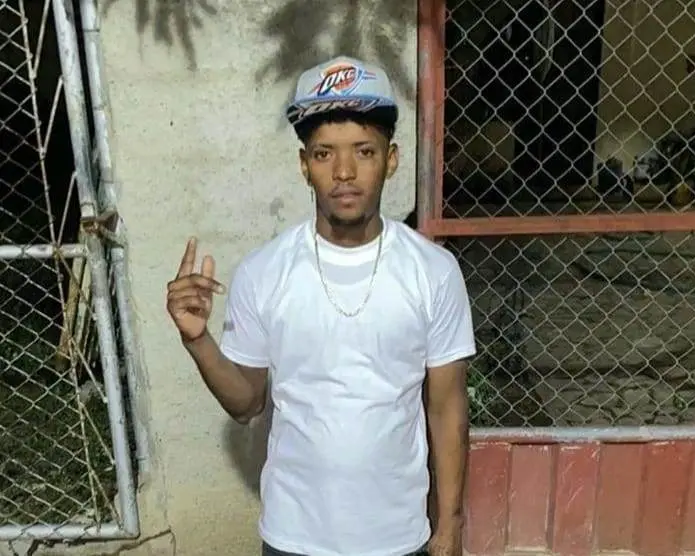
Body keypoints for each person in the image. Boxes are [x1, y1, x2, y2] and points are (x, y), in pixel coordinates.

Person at [165, 56, 476, 556]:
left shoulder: (433, 271)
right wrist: (197, 340)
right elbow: (246, 403)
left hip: (398, 536)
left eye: (364, 151)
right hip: (294, 536)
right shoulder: (264, 272)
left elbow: (447, 406)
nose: (344, 172)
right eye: (324, 153)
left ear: (391, 160)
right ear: (304, 165)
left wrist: (451, 523)